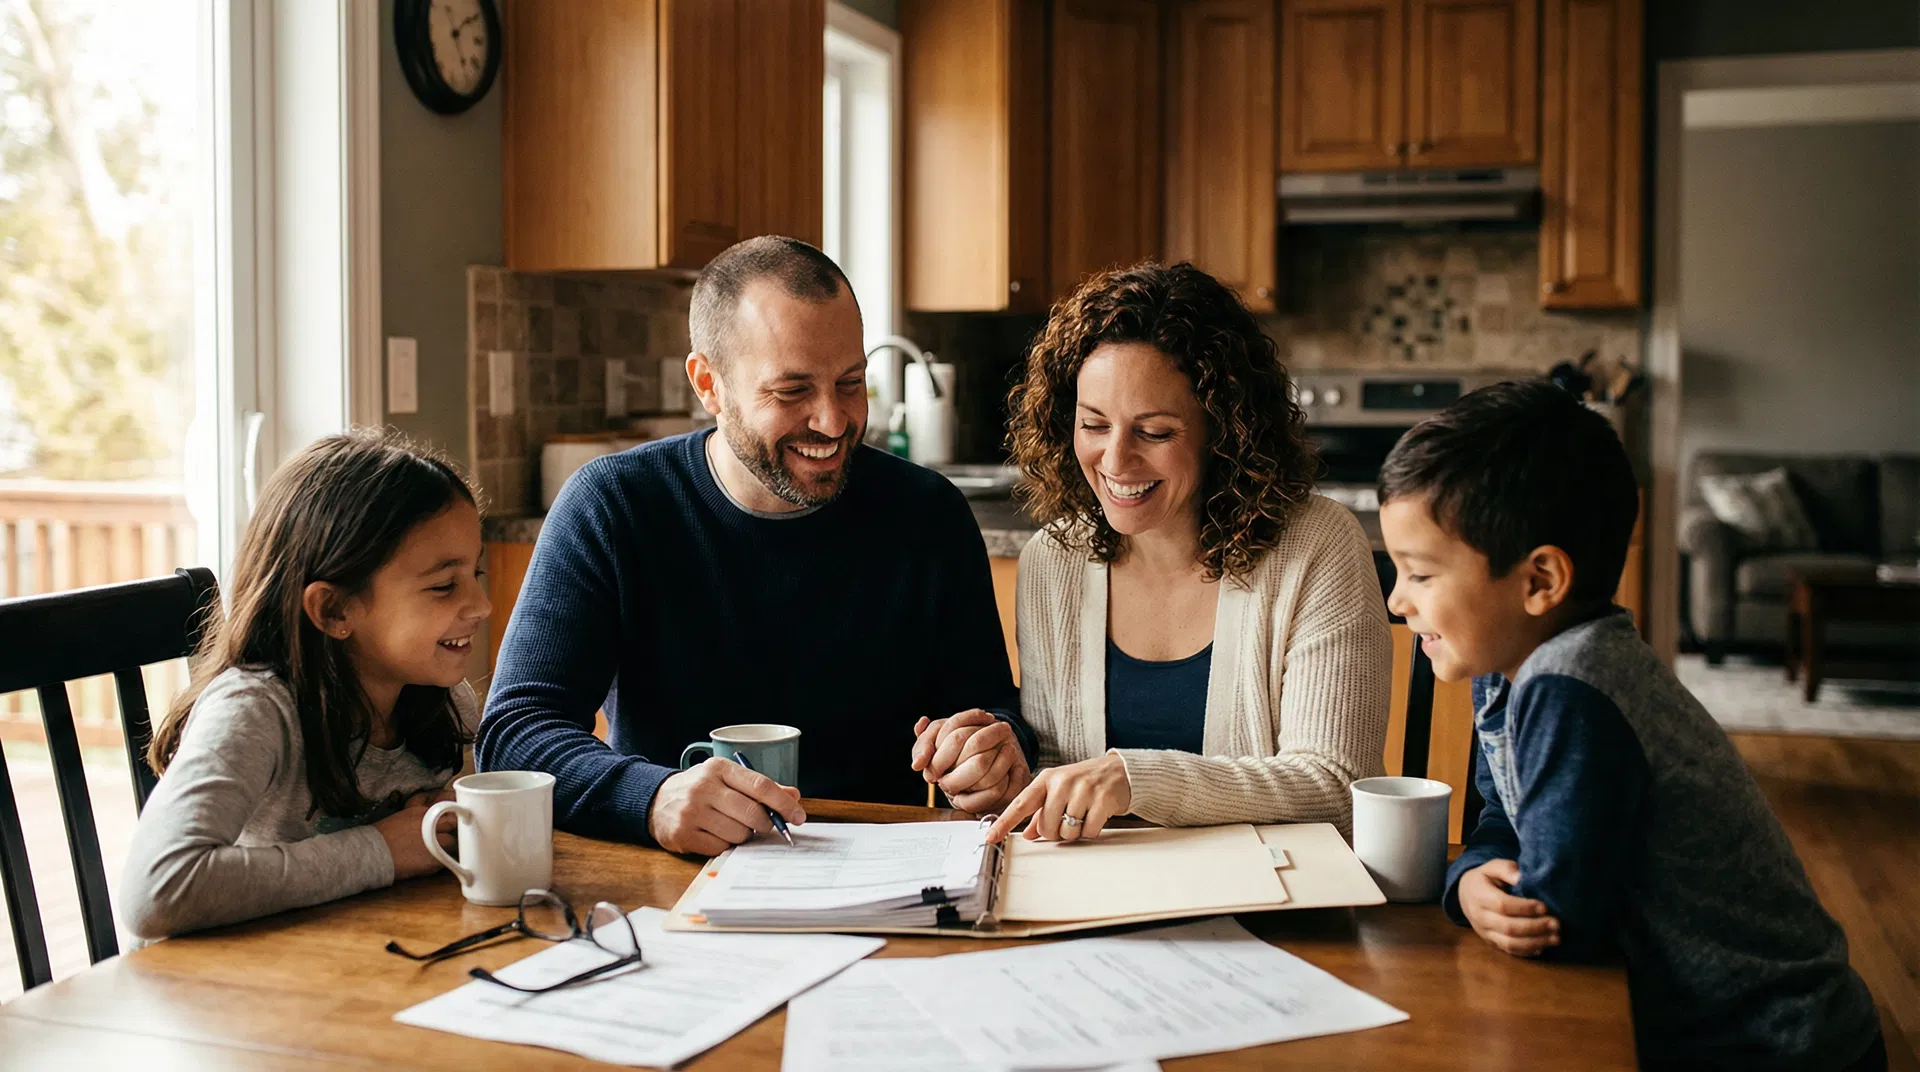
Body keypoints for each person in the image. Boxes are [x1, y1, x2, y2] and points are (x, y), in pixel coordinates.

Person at [1378, 381, 1883, 1072]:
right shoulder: (1506, 666)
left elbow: (1558, 922)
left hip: (1770, 1045)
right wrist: (1467, 878)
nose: (1396, 598)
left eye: (1420, 574)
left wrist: (1475, 896)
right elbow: (1501, 817)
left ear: (1539, 581)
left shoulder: (1573, 690)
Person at [479, 236, 1031, 857]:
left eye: (851, 383)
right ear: (708, 384)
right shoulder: (613, 506)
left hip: (882, 877)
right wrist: (653, 798)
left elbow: (988, 710)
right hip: (674, 877)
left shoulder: (929, 514)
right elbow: (516, 732)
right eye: (792, 392)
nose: (832, 420)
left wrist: (991, 753)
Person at [957, 262, 1390, 845]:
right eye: (1093, 424)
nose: (1115, 460)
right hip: (1097, 906)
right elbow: (1061, 771)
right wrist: (1004, 773)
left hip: (1272, 908)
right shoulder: (1052, 560)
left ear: (1225, 428)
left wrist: (1138, 779)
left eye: (1154, 432)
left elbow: (1337, 789)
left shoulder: (1317, 548)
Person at [121, 431, 487, 939]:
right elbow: (157, 891)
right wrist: (381, 851)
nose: (481, 605)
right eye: (444, 585)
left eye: (477, 572)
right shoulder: (254, 712)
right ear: (334, 609)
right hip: (230, 995)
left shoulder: (444, 702)